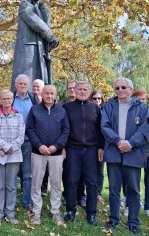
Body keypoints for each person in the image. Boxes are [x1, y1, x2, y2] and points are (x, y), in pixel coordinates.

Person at [101, 77, 149, 235]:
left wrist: (130, 143)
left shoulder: (141, 107)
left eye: (123, 87)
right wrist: (118, 141)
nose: (120, 90)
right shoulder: (109, 106)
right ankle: (113, 219)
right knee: (114, 189)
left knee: (134, 190)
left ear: (130, 89)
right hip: (114, 152)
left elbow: (144, 130)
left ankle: (133, 222)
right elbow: (104, 126)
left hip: (133, 153)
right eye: (117, 88)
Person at [26, 85, 69, 226]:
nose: (49, 96)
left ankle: (55, 211)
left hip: (56, 154)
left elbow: (65, 131)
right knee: (36, 183)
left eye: (52, 93)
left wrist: (56, 146)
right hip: (38, 152)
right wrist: (39, 145)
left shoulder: (61, 111)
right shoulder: (35, 110)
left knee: (56, 183)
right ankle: (36, 212)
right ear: (42, 95)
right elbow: (30, 129)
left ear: (55, 95)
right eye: (47, 93)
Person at [62, 81, 104, 226]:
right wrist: (63, 147)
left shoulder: (95, 108)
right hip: (72, 149)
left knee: (92, 183)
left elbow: (100, 130)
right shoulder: (66, 107)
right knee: (71, 181)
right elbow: (63, 129)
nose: (82, 91)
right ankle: (71, 210)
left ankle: (91, 213)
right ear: (75, 90)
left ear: (89, 91)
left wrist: (101, 147)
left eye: (85, 89)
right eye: (79, 89)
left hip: (91, 150)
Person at [11, 0, 59, 90]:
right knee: (27, 78)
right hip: (28, 48)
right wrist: (51, 37)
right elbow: (35, 22)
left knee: (41, 80)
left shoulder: (42, 8)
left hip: (41, 48)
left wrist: (44, 11)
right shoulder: (25, 5)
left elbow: (45, 24)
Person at [0, 90, 25, 225]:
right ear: (0, 100)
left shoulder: (18, 117)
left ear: (12, 99)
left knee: (11, 186)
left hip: (14, 157)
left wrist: (10, 149)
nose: (6, 101)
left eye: (9, 98)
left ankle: (10, 213)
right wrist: (4, 147)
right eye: (4, 98)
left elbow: (21, 137)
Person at [12, 74, 40, 212]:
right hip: (12, 141)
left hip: (28, 140)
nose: (23, 86)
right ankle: (12, 200)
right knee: (13, 171)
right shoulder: (11, 99)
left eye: (25, 84)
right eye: (20, 84)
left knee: (27, 173)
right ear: (16, 85)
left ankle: (26, 202)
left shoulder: (34, 99)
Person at [130, 90, 149, 222]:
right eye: (138, 99)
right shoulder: (130, 115)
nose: (141, 101)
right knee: (133, 181)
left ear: (147, 100)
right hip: (135, 152)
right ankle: (131, 204)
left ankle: (148, 208)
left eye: (143, 99)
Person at [90, 90, 106, 204]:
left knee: (100, 170)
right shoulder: (89, 110)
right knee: (90, 170)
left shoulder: (105, 111)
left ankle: (98, 193)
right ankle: (89, 191)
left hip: (102, 144)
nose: (97, 100)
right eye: (95, 98)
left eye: (99, 98)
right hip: (90, 144)